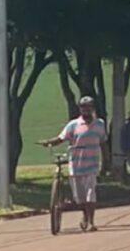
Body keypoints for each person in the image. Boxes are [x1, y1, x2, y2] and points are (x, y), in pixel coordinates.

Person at [42, 96, 108, 232]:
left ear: (93, 108)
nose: (86, 109)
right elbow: (61, 138)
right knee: (80, 197)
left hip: (92, 164)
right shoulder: (73, 125)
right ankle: (85, 215)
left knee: (91, 193)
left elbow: (103, 143)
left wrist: (106, 162)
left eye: (89, 107)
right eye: (84, 107)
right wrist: (49, 142)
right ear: (80, 109)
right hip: (76, 164)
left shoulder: (99, 124)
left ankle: (91, 221)